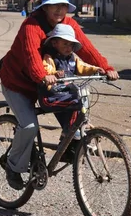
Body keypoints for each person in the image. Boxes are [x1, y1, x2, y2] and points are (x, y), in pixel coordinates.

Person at [0, 0, 119, 190]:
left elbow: (87, 48)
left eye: (63, 6)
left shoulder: (68, 25)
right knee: (29, 126)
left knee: (74, 104)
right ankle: (13, 165)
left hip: (48, 84)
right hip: (18, 82)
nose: (59, 10)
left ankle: (69, 142)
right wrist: (43, 76)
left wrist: (105, 68)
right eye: (53, 5)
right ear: (44, 8)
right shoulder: (31, 25)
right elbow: (31, 57)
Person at [38, 23, 104, 161]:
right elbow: (46, 70)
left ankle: (70, 142)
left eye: (71, 45)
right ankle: (68, 137)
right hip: (51, 96)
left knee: (80, 103)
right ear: (55, 43)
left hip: (66, 96)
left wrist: (95, 70)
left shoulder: (73, 58)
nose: (69, 48)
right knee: (76, 103)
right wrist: (53, 74)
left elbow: (83, 67)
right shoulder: (50, 58)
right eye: (65, 44)